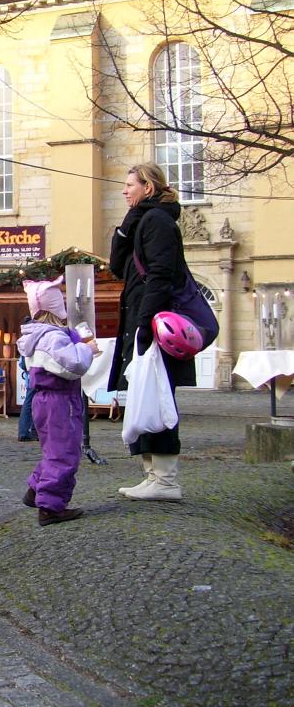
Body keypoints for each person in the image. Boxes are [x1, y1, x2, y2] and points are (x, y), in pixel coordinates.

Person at [107, 162, 194, 501]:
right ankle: (152, 474)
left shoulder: (157, 220)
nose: (125, 190)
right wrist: (124, 230)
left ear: (149, 187)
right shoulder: (142, 221)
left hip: (152, 323)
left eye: (131, 184)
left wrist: (146, 323)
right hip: (140, 320)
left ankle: (166, 480)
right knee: (143, 396)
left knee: (158, 398)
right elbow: (118, 267)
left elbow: (160, 274)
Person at [16, 276, 98, 526]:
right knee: (64, 453)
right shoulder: (53, 338)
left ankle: (36, 490)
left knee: (53, 450)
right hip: (60, 402)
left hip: (43, 401)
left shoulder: (35, 336)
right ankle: (50, 507)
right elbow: (72, 366)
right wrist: (88, 349)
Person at [17, 317, 39, 443]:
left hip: (30, 376)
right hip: (35, 376)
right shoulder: (33, 340)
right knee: (32, 404)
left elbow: (21, 363)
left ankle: (29, 431)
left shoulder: (24, 340)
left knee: (31, 404)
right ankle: (25, 432)